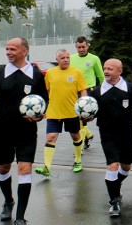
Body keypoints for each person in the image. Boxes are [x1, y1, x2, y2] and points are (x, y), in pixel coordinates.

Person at [0, 38, 48, 225]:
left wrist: (39, 116)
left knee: (25, 168)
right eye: (7, 49)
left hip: (26, 130)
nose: (8, 52)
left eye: (12, 49)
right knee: (3, 167)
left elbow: (43, 100)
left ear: (24, 51)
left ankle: (21, 217)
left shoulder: (36, 75)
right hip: (2, 129)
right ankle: (8, 201)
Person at [88, 58, 132, 217]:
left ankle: (115, 185)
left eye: (110, 68)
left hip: (127, 133)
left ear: (119, 71)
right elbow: (90, 112)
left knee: (126, 167)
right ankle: (114, 202)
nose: (106, 71)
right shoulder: (97, 91)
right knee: (112, 165)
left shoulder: (130, 89)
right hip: (107, 133)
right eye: (105, 68)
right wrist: (86, 118)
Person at [35, 48, 88, 177]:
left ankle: (78, 161)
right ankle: (47, 167)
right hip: (54, 113)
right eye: (63, 58)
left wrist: (85, 105)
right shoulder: (50, 73)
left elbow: (83, 90)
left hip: (72, 112)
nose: (66, 60)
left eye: (67, 57)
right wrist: (45, 107)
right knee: (50, 137)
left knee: (76, 136)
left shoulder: (76, 73)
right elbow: (46, 91)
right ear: (57, 60)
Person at [70, 36, 103, 150]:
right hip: (74, 91)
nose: (81, 49)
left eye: (83, 47)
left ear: (88, 46)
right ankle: (88, 135)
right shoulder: (71, 58)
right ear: (76, 47)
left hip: (89, 91)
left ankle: (82, 143)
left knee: (82, 119)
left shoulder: (94, 59)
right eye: (79, 47)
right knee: (76, 117)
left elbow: (101, 76)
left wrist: (104, 90)